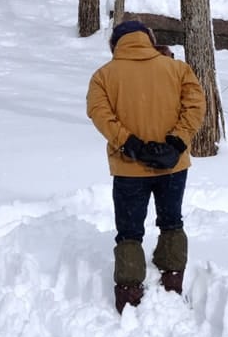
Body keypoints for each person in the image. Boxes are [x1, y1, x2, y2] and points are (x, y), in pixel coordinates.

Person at [87, 19, 206, 313]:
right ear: (148, 39)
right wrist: (176, 143)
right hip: (173, 166)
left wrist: (131, 144)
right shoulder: (177, 69)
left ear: (116, 43)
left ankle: (128, 291)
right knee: (171, 221)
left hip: (129, 169)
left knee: (129, 230)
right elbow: (196, 104)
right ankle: (172, 278)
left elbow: (99, 112)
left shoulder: (104, 76)